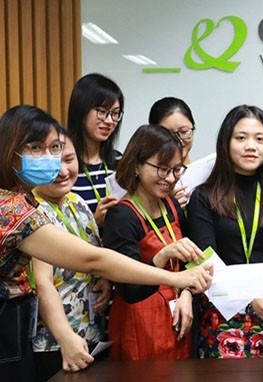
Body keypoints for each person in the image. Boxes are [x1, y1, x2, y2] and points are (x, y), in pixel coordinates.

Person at [0, 105, 211, 382]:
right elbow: (93, 259)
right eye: (36, 148)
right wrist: (177, 277)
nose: (52, 160)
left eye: (56, 148)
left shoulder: (34, 200)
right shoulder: (11, 207)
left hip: (69, 326)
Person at [186, 105, 263, 358]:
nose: (251, 146)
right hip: (222, 310)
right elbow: (206, 259)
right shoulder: (204, 197)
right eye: (241, 138)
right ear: (226, 142)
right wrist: (249, 297)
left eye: (260, 139)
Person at [102, 125, 202, 360]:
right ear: (137, 165)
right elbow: (128, 288)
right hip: (139, 325)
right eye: (161, 169)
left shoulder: (171, 205)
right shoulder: (122, 216)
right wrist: (162, 256)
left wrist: (188, 292)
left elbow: (195, 261)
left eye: (176, 170)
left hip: (178, 317)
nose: (170, 178)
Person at [31, 132, 111, 381]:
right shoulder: (32, 210)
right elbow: (42, 284)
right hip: (56, 343)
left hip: (92, 334)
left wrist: (105, 280)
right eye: (53, 164)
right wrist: (65, 337)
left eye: (69, 159)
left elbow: (93, 257)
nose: (63, 170)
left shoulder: (77, 202)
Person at [67, 73, 124, 226]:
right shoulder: (64, 167)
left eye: (115, 113)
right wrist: (94, 222)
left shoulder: (120, 161)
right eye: (102, 111)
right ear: (81, 110)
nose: (109, 121)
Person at [149, 97, 197, 207]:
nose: (179, 141)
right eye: (168, 134)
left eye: (184, 131)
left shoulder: (204, 172)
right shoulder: (146, 179)